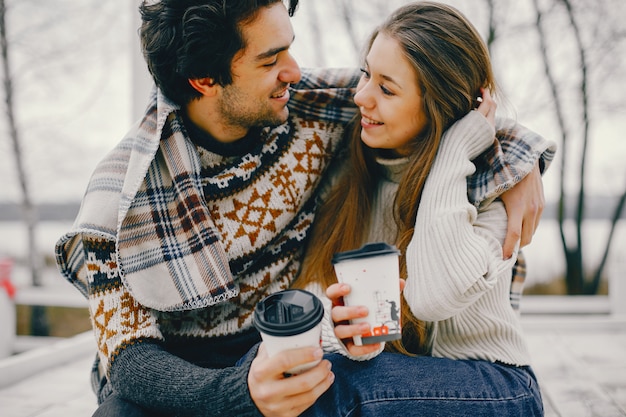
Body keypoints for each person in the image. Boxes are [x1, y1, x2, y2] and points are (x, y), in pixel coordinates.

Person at [54, 1, 551, 416]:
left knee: (327, 388)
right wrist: (238, 392)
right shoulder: (117, 196)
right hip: (199, 366)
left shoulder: (304, 109)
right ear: (205, 79)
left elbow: (446, 102)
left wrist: (518, 156)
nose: (293, 71)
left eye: (289, 47)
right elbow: (126, 357)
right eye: (271, 60)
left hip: (303, 347)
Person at [293, 1, 556, 415]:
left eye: (387, 88)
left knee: (335, 390)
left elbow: (433, 296)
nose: (362, 96)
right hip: (399, 386)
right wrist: (347, 335)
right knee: (276, 371)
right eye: (366, 74)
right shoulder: (353, 175)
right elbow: (311, 295)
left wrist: (454, 150)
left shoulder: (494, 192)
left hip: (494, 390)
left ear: (438, 106)